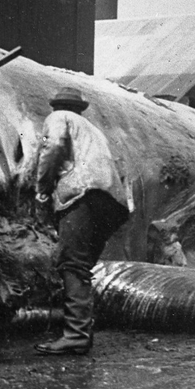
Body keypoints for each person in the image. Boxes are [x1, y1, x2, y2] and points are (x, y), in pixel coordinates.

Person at [32, 87, 130, 356]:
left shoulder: (58, 118)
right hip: (112, 201)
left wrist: (42, 189)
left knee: (72, 264)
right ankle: (81, 330)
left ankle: (76, 335)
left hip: (82, 193)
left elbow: (52, 147)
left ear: (56, 106)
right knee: (81, 265)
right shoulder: (91, 128)